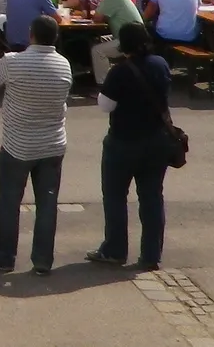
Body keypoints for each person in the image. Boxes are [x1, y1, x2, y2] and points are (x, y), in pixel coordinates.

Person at [0, 16, 73, 276]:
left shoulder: (13, 61)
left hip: (17, 144)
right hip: (52, 143)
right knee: (47, 203)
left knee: (9, 201)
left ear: (31, 34)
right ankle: (43, 260)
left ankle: (4, 256)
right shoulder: (64, 65)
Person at [87, 23, 174, 271]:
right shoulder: (160, 64)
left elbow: (106, 105)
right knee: (152, 197)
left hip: (123, 142)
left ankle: (115, 249)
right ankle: (151, 255)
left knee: (115, 197)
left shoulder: (120, 72)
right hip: (157, 140)